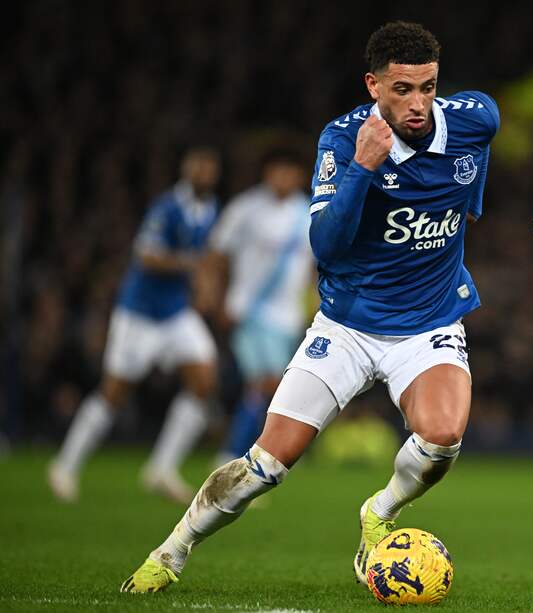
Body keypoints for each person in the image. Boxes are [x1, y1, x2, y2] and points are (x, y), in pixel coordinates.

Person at [120, 21, 499, 593]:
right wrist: (364, 168)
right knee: (265, 467)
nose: (419, 103)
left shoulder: (475, 119)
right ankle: (170, 552)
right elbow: (325, 242)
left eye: (428, 87)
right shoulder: (344, 140)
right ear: (373, 86)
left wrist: (463, 203)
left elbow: (470, 191)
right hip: (346, 327)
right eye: (403, 89)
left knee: (443, 438)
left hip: (430, 323)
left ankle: (378, 511)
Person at [48, 147, 221, 505]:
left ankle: (162, 467)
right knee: (114, 393)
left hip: (175, 313)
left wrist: (202, 287)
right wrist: (190, 267)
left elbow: (203, 260)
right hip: (139, 314)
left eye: (210, 167)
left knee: (204, 379)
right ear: (187, 169)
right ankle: (65, 465)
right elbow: (146, 254)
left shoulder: (210, 209)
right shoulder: (167, 206)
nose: (205, 172)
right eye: (199, 165)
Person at [205, 148, 313, 465]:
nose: (285, 177)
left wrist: (313, 305)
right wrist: (217, 297)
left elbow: (313, 267)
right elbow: (217, 255)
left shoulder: (307, 212)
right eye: (278, 170)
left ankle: (257, 453)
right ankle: (236, 453)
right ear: (267, 173)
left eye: (291, 171)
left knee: (273, 389)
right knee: (262, 384)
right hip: (248, 311)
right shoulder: (246, 208)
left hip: (287, 317)